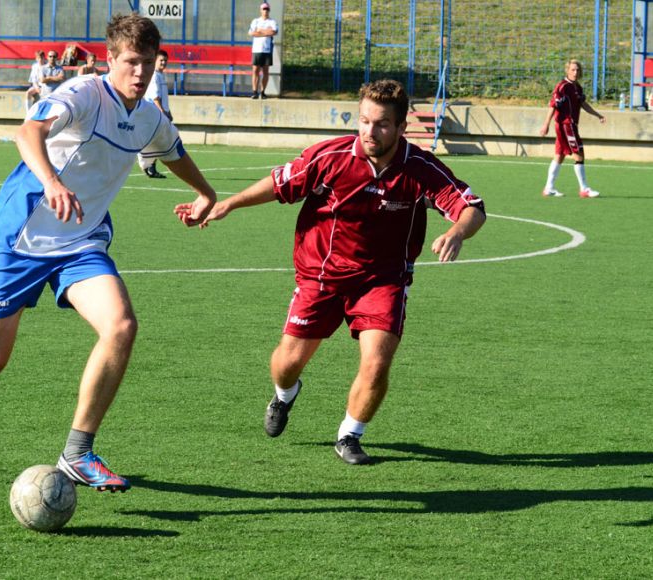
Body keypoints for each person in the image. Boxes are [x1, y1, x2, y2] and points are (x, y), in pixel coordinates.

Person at [0, 13, 217, 493]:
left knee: (121, 325)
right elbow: (26, 133)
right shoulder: (82, 94)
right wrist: (52, 182)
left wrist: (206, 193)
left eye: (150, 63)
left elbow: (172, 149)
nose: (141, 73)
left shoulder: (149, 115)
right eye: (132, 62)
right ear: (110, 59)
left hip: (82, 240)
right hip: (21, 238)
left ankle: (77, 452)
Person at [175, 79, 486, 465]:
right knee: (286, 365)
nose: (370, 131)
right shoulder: (331, 156)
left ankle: (350, 435)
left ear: (402, 127)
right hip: (321, 275)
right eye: (365, 121)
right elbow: (279, 184)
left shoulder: (419, 168)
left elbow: (471, 205)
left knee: (377, 361)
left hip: (382, 280)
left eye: (383, 124)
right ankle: (285, 394)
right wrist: (227, 205)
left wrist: (457, 230)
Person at [539, 59, 606, 198]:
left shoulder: (577, 87)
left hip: (569, 124)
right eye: (573, 70)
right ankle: (584, 189)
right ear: (567, 71)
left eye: (578, 70)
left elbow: (583, 104)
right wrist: (545, 124)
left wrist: (597, 115)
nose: (575, 72)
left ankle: (549, 188)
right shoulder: (562, 86)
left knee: (560, 155)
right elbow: (553, 105)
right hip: (566, 125)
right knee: (579, 154)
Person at [138, 49, 171, 179]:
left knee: (157, 140)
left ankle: (150, 166)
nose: (163, 63)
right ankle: (148, 166)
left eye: (165, 61)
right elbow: (154, 96)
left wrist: (168, 111)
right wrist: (162, 112)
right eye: (161, 60)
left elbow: (163, 97)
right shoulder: (154, 76)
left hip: (162, 113)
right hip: (155, 113)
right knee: (155, 140)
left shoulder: (160, 75)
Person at [248, 2, 278, 99]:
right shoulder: (255, 21)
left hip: (267, 49)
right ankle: (254, 92)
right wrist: (266, 32)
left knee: (265, 71)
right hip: (256, 49)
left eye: (267, 9)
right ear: (260, 10)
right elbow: (251, 33)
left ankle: (263, 92)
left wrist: (260, 30)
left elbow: (274, 31)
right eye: (264, 9)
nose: (265, 11)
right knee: (255, 70)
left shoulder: (272, 22)